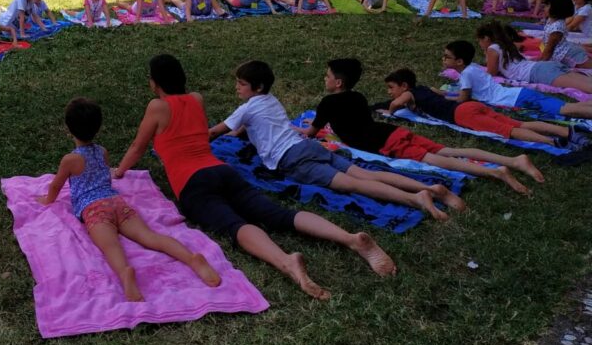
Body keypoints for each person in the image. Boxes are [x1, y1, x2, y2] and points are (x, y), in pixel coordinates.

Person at [112, 54, 396, 301]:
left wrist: (120, 170)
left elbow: (138, 146)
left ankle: (286, 261)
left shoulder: (157, 107)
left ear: (155, 82)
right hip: (221, 170)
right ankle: (349, 238)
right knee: (278, 214)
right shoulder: (196, 99)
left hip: (192, 184)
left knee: (234, 225)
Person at [209, 61, 460, 221]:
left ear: (258, 86)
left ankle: (416, 199)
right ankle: (429, 188)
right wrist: (236, 132)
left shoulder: (245, 110)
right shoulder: (270, 100)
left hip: (293, 160)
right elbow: (243, 127)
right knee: (365, 174)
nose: (236, 88)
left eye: (241, 84)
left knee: (354, 185)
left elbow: (214, 132)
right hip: (308, 146)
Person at [38, 97, 220, 301]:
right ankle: (191, 258)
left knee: (110, 246)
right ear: (97, 127)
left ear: (68, 129)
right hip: (117, 203)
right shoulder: (102, 152)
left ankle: (125, 273)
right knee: (150, 237)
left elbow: (56, 185)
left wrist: (47, 200)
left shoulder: (70, 160)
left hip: (94, 210)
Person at [305, 58, 543, 195]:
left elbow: (311, 134)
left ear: (337, 82)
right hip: (392, 132)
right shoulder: (357, 97)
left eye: (327, 76)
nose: (324, 79)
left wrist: (302, 128)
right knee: (449, 150)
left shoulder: (327, 103)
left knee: (437, 160)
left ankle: (496, 171)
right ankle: (514, 161)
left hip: (387, 143)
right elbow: (347, 123)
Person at [382, 68, 579, 150]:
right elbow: (440, 93)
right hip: (470, 105)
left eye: (392, 88)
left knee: (510, 131)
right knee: (518, 123)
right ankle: (566, 131)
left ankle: (553, 142)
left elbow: (397, 103)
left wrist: (389, 113)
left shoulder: (408, 95)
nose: (390, 92)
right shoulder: (425, 88)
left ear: (405, 86)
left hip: (462, 114)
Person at [442, 40, 592, 120]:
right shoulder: (473, 67)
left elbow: (463, 99)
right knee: (564, 105)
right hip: (519, 94)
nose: (443, 59)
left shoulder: (466, 74)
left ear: (460, 61)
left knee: (565, 109)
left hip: (515, 100)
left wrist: (441, 96)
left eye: (447, 57)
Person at [478, 21, 592, 95]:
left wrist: (486, 54)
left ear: (486, 38)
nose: (479, 43)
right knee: (587, 82)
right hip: (544, 66)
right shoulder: (507, 44)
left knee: (586, 87)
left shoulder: (492, 48)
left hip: (538, 72)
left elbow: (491, 73)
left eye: (479, 40)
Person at [539, 0, 589, 69]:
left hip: (569, 55)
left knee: (588, 66)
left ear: (556, 8)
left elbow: (549, 48)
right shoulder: (551, 20)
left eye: (547, 5)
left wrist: (540, 65)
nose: (544, 8)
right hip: (561, 52)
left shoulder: (557, 28)